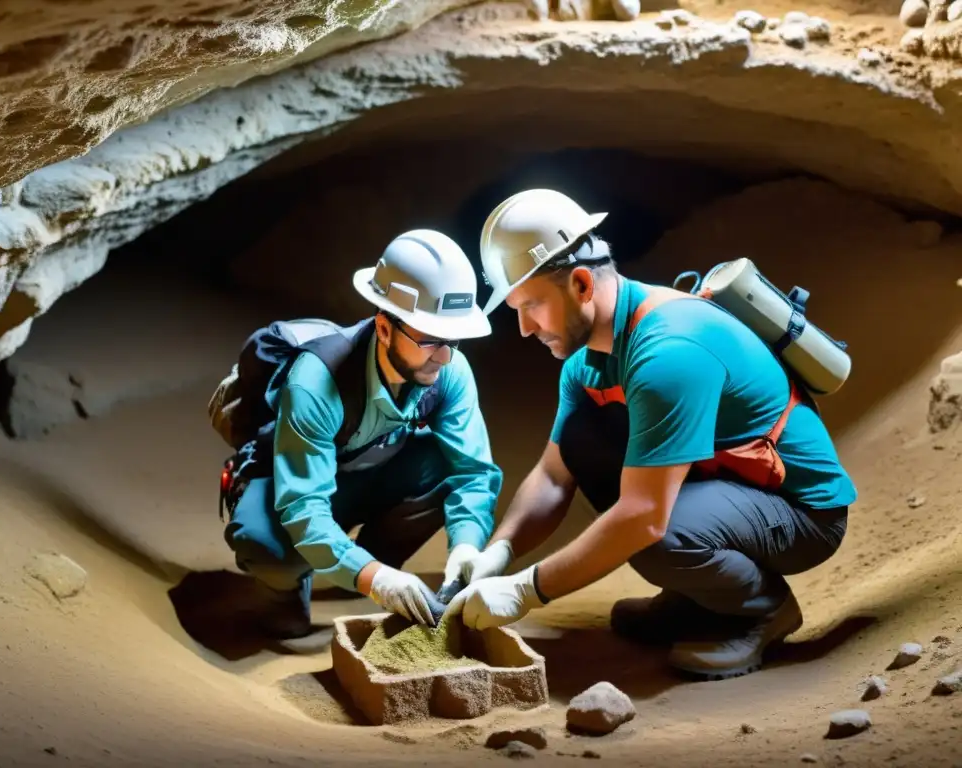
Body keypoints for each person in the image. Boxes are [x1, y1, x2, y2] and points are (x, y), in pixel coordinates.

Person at [445, 189, 857, 680]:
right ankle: (698, 597)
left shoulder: (667, 352)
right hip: (728, 487)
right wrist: (502, 550)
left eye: (531, 305)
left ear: (580, 285)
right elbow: (554, 476)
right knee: (585, 439)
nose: (524, 328)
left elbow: (642, 517)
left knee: (652, 532)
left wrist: (526, 589)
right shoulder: (586, 362)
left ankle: (761, 608)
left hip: (803, 512)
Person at [221, 229, 503, 640]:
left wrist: (466, 544)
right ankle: (297, 588)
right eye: (429, 339)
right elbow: (304, 507)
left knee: (443, 463)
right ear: (385, 329)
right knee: (263, 543)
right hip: (299, 484)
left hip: (370, 473)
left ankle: (366, 565)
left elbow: (474, 473)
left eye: (453, 338)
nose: (444, 355)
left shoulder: (449, 369)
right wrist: (375, 579)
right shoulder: (316, 382)